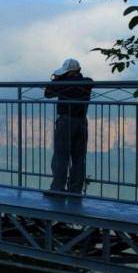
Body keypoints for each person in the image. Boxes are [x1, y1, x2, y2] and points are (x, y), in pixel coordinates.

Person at [44, 58, 93, 197]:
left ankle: (58, 188)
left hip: (65, 121)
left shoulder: (61, 84)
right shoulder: (87, 82)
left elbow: (47, 94)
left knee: (61, 156)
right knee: (79, 158)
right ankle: (75, 191)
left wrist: (57, 79)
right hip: (82, 122)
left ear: (70, 72)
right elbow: (89, 81)